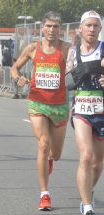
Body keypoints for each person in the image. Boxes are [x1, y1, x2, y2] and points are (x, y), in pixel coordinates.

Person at [11, 11, 71, 211]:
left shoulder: (67, 49)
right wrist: (17, 78)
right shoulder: (32, 49)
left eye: (56, 26)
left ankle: (49, 161)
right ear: (42, 28)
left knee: (56, 153)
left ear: (60, 28)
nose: (52, 30)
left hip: (60, 105)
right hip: (37, 103)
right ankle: (44, 194)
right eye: (48, 26)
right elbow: (14, 68)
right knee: (43, 144)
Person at [66, 10, 104, 215]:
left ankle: (87, 190)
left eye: (95, 26)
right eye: (88, 25)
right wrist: (82, 72)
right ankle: (87, 205)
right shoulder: (74, 52)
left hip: (102, 110)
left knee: (98, 163)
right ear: (80, 29)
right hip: (81, 109)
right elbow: (67, 81)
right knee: (86, 156)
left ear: (100, 29)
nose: (91, 29)